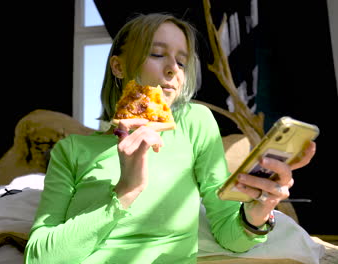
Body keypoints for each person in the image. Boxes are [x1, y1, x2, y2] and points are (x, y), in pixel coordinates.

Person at [24, 13, 316, 264]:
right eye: (157, 53)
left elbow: (231, 235)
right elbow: (40, 256)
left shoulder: (194, 123)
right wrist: (125, 191)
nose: (173, 70)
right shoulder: (71, 150)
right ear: (118, 66)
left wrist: (258, 212)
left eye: (182, 61)